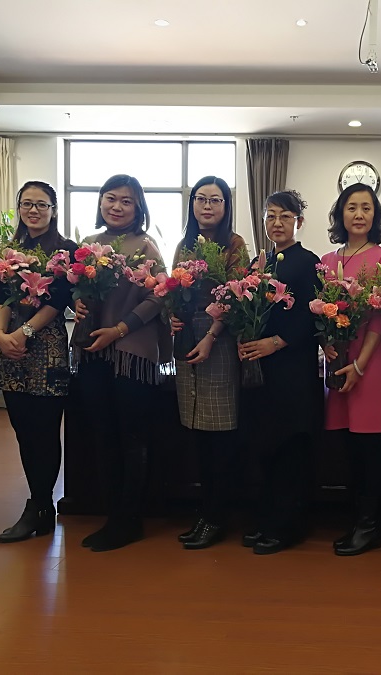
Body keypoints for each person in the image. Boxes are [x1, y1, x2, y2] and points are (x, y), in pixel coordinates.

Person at [74, 174, 172, 552]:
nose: (117, 206)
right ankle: (112, 514)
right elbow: (76, 289)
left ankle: (129, 519)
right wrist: (78, 303)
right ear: (100, 202)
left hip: (133, 354)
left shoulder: (146, 246)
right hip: (94, 352)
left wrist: (119, 329)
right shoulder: (88, 244)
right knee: (103, 436)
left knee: (132, 437)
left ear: (138, 207)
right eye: (110, 198)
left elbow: (159, 297)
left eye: (126, 201)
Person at [0, 181, 78, 543]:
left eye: (41, 204)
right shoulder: (8, 251)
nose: (34, 210)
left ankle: (40, 506)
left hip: (47, 348)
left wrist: (23, 332)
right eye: (27, 204)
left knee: (44, 430)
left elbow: (58, 300)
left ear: (53, 210)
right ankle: (38, 504)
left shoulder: (66, 250)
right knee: (23, 430)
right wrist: (0, 334)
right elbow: (0, 297)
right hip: (11, 348)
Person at [238, 190, 322, 554]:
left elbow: (312, 313)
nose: (277, 223)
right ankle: (267, 520)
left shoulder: (309, 261)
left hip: (293, 369)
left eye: (285, 217)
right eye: (271, 216)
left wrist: (277, 342)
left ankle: (287, 526)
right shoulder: (259, 264)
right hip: (261, 371)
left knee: (291, 449)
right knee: (265, 447)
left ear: (298, 222)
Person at [173, 175, 249, 550]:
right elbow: (172, 289)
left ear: (225, 206)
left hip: (219, 341)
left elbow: (237, 297)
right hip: (187, 339)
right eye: (200, 198)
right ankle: (204, 512)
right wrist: (172, 316)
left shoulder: (235, 244)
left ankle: (217, 516)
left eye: (215, 200)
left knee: (219, 432)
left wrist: (211, 335)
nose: (207, 205)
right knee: (197, 433)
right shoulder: (184, 245)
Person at [321, 183, 381, 556]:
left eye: (366, 207)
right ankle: (356, 521)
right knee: (347, 445)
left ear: (375, 215)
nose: (359, 214)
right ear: (341, 214)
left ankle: (369, 526)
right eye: (352, 207)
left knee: (370, 446)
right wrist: (326, 344)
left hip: (370, 362)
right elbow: (321, 312)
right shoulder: (327, 260)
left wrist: (360, 364)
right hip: (338, 361)